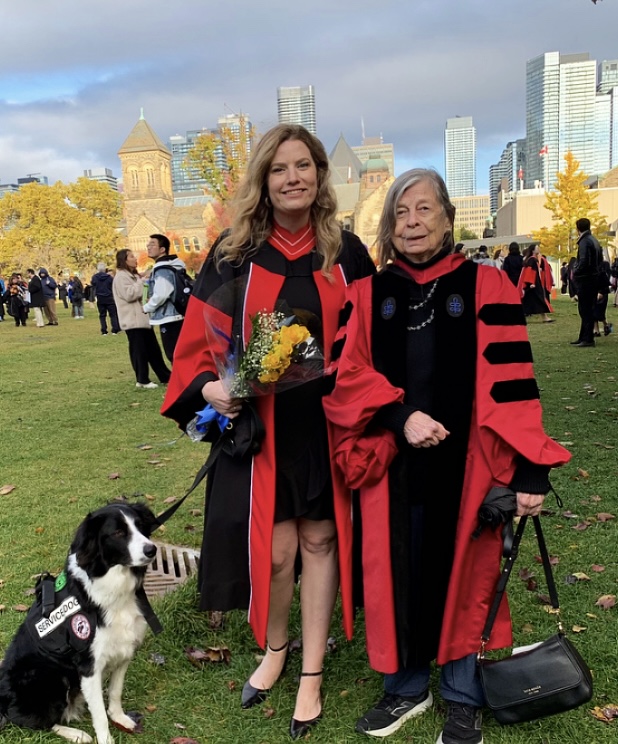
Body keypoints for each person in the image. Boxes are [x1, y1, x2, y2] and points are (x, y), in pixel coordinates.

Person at [322, 169, 571, 743]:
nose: (412, 222)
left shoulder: (488, 287)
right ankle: (405, 687)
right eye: (401, 212)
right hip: (393, 468)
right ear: (388, 225)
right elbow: (343, 377)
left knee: (467, 575)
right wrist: (397, 416)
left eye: (424, 209)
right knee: (398, 574)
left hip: (470, 469)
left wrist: (530, 469)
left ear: (447, 218)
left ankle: (462, 695)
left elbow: (515, 387)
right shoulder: (366, 295)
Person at [161, 124, 375, 739]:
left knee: (320, 544)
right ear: (264, 179)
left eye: (304, 166)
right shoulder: (233, 255)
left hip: (327, 427)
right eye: (280, 168)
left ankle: (311, 670)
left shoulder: (346, 253)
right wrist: (211, 388)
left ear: (319, 176)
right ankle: (275, 649)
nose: (293, 178)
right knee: (277, 552)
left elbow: (369, 343)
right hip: (263, 433)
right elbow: (195, 346)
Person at [113, 249, 171, 389]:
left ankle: (165, 376)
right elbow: (129, 294)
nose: (135, 258)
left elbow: (142, 294)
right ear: (124, 260)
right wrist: (142, 282)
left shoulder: (133, 276)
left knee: (153, 349)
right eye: (131, 256)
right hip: (133, 321)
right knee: (139, 351)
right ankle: (142, 380)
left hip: (143, 319)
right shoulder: (121, 277)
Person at [142, 234, 186, 363]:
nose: (148, 247)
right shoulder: (175, 265)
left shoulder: (162, 268)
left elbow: (162, 293)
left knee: (173, 354)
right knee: (181, 352)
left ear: (162, 249)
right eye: (148, 245)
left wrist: (147, 307)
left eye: (153, 244)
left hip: (170, 316)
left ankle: (182, 382)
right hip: (181, 312)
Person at [571, 217, 603, 347]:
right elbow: (599, 259)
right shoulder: (594, 240)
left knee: (584, 309)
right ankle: (583, 336)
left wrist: (576, 271)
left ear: (578, 228)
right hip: (593, 278)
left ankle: (588, 338)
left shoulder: (584, 242)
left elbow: (583, 261)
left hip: (586, 279)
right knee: (587, 308)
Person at [517, 244, 553, 322]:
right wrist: (531, 283)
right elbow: (530, 271)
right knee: (538, 300)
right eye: (537, 248)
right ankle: (544, 317)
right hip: (534, 284)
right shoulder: (532, 260)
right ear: (533, 250)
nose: (539, 249)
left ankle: (544, 317)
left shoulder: (532, 259)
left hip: (534, 283)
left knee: (532, 301)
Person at [91, 263, 121, 335]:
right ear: (105, 269)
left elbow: (93, 284)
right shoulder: (109, 277)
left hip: (100, 298)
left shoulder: (95, 277)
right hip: (110, 298)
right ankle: (115, 329)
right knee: (113, 314)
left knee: (102, 315)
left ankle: (104, 330)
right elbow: (114, 286)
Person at [593, 259, 613, 337]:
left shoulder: (602, 267)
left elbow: (605, 280)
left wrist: (601, 292)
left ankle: (606, 325)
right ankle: (596, 331)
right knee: (593, 311)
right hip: (594, 292)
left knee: (599, 312)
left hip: (602, 292)